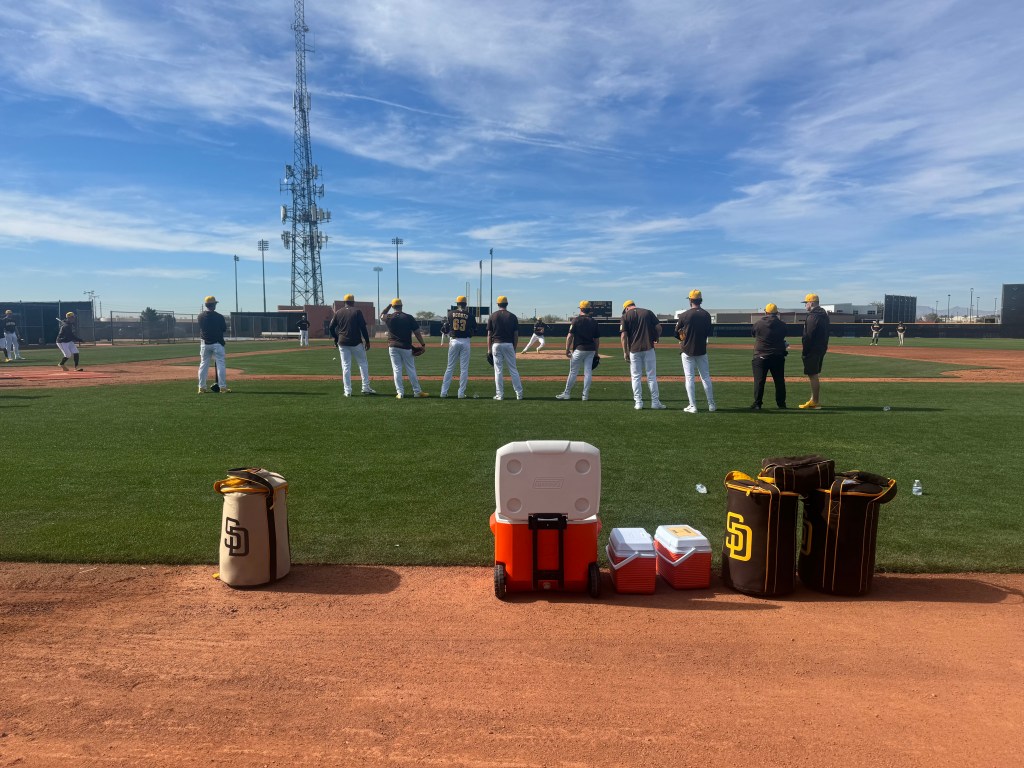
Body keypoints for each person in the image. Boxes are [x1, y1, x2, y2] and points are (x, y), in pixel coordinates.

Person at [674, 289, 716, 414]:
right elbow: (709, 332)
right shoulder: (706, 315)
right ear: (700, 300)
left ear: (691, 300)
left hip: (687, 350)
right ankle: (711, 404)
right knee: (706, 378)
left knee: (689, 378)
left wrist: (682, 338)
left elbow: (676, 333)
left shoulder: (685, 315)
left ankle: (693, 406)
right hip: (702, 350)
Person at [620, 299, 666, 410]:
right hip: (648, 348)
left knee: (636, 377)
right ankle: (655, 402)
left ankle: (638, 403)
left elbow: (623, 337)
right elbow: (659, 328)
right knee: (651, 377)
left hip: (634, 350)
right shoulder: (647, 312)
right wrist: (656, 337)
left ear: (626, 308)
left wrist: (625, 352)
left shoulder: (625, 316)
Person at [329, 294, 376, 396]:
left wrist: (336, 338)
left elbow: (331, 328)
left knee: (346, 366)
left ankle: (347, 391)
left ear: (344, 302)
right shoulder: (357, 311)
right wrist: (367, 341)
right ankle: (365, 387)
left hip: (342, 342)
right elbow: (363, 328)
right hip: (356, 342)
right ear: (353, 302)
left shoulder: (338, 312)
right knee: (363, 364)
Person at [380, 298, 429, 398]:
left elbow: (381, 315)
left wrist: (389, 305)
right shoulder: (408, 317)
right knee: (411, 369)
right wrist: (422, 344)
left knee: (397, 370)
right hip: (406, 346)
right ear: (402, 306)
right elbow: (417, 332)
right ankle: (417, 392)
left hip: (393, 346)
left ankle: (400, 393)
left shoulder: (388, 317)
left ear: (393, 307)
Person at [555, 301, 600, 401]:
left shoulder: (576, 320)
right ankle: (585, 396)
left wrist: (567, 349)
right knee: (588, 372)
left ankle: (567, 393)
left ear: (580, 309)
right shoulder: (594, 321)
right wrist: (596, 352)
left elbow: (570, 336)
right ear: (590, 309)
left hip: (579, 349)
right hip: (591, 350)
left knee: (573, 372)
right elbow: (596, 339)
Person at [750, 303, 788, 411]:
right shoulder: (782, 324)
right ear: (776, 313)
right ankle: (781, 403)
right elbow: (784, 335)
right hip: (778, 356)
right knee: (779, 381)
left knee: (759, 381)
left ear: (766, 312)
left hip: (761, 356)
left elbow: (753, 334)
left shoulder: (758, 323)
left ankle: (757, 404)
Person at [487, 295, 524, 400]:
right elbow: (516, 335)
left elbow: (489, 334)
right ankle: (519, 394)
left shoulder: (493, 316)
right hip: (509, 345)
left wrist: (489, 349)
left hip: (496, 345)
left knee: (498, 370)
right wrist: (514, 347)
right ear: (507, 304)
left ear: (498, 304)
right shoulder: (512, 316)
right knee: (513, 369)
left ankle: (500, 395)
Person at [440, 295, 477, 399]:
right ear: (466, 304)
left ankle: (443, 392)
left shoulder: (450, 314)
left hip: (454, 341)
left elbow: (445, 328)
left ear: (457, 304)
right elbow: (475, 330)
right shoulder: (470, 315)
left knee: (450, 367)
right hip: (465, 341)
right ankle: (461, 393)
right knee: (464, 369)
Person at [799, 293, 830, 409]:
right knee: (814, 374)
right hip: (821, 348)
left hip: (812, 349)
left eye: (806, 303)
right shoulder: (824, 315)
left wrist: (805, 350)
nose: (805, 305)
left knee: (812, 375)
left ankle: (815, 401)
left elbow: (808, 335)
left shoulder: (813, 316)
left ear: (811, 303)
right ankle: (814, 399)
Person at [197, 296, 229, 393]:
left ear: (206, 305)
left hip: (205, 344)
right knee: (221, 365)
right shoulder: (219, 317)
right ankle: (222, 387)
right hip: (217, 343)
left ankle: (201, 388)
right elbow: (224, 329)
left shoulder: (200, 316)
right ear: (213, 305)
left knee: (203, 365)